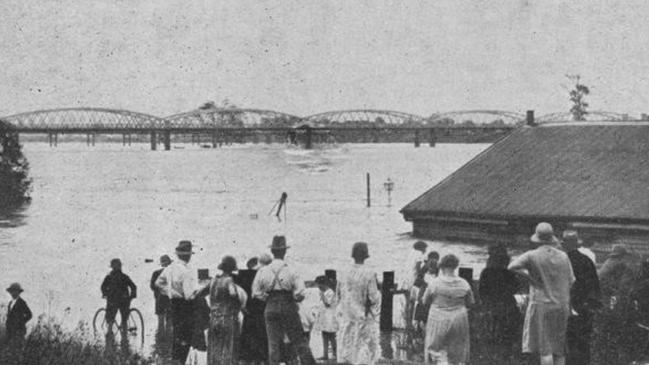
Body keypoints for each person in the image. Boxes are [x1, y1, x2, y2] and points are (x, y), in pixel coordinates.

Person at [508, 222, 575, 365]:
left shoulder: (532, 255)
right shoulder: (563, 256)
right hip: (561, 305)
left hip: (542, 304)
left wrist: (531, 278)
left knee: (545, 349)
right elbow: (571, 280)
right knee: (559, 348)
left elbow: (512, 267)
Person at [251, 236, 316, 365]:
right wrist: (293, 298)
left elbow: (256, 292)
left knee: (273, 343)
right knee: (299, 340)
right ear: (284, 252)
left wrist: (268, 298)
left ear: (272, 252)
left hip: (270, 305)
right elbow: (301, 293)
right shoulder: (291, 269)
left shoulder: (263, 270)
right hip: (288, 304)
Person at [422, 254, 474, 365]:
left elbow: (425, 301)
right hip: (459, 318)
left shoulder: (435, 283)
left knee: (435, 349)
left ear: (441, 266)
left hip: (438, 317)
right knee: (458, 351)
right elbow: (471, 302)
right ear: (455, 266)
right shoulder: (464, 283)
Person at [337, 242, 381, 365]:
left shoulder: (343, 272)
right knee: (363, 353)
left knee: (346, 350)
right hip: (363, 317)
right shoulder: (369, 273)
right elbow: (374, 298)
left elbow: (338, 294)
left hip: (346, 316)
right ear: (365, 255)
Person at [561, 230, 601, 365]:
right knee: (583, 343)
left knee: (566, 344)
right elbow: (595, 285)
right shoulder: (587, 260)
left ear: (564, 243)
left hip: (565, 306)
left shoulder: (561, 261)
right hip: (584, 308)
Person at [156, 240, 198, 364]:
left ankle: (176, 361)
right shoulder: (186, 271)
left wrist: (169, 292)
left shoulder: (170, 268)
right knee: (186, 336)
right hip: (186, 306)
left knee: (177, 335)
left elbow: (158, 283)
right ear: (188, 255)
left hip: (174, 304)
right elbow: (189, 295)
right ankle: (181, 362)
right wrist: (202, 290)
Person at [478, 244, 521, 362]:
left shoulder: (486, 272)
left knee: (491, 340)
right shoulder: (510, 273)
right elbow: (515, 289)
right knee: (507, 340)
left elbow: (481, 291)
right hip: (508, 308)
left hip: (491, 308)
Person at [207, 255, 247, 365]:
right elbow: (233, 294)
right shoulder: (229, 280)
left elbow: (200, 293)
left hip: (214, 318)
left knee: (214, 348)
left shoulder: (213, 280)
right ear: (231, 269)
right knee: (229, 348)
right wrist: (241, 308)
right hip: (228, 318)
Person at [240, 253, 271, 365]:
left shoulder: (244, 276)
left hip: (248, 310)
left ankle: (249, 359)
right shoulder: (267, 274)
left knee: (249, 336)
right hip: (262, 309)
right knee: (263, 336)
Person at [598, 243, 640, 309]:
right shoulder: (618, 262)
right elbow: (623, 284)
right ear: (622, 256)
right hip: (606, 288)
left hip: (602, 287)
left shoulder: (609, 261)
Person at [101, 258, 137, 332]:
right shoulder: (124, 277)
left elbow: (103, 287)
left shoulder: (109, 277)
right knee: (124, 318)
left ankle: (110, 336)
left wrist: (105, 294)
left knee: (110, 317)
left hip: (113, 300)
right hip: (124, 299)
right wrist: (132, 296)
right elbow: (133, 286)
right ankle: (124, 337)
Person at [314, 275, 338, 360]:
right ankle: (325, 354)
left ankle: (335, 354)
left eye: (319, 285)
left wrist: (322, 295)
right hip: (324, 317)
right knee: (324, 335)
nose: (319, 287)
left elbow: (328, 303)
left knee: (331, 336)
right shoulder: (325, 292)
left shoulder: (330, 292)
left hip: (330, 317)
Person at [5, 282, 32, 350]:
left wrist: (20, 322)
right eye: (12, 291)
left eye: (15, 291)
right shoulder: (10, 303)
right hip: (10, 331)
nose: (13, 293)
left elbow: (29, 314)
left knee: (18, 349)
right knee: (10, 350)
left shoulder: (22, 302)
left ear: (19, 292)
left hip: (19, 331)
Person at [151, 254, 172, 332]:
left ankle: (160, 339)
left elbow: (152, 286)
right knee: (169, 321)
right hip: (170, 298)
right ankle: (168, 339)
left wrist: (159, 291)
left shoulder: (156, 273)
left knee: (160, 320)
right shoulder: (173, 273)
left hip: (160, 298)